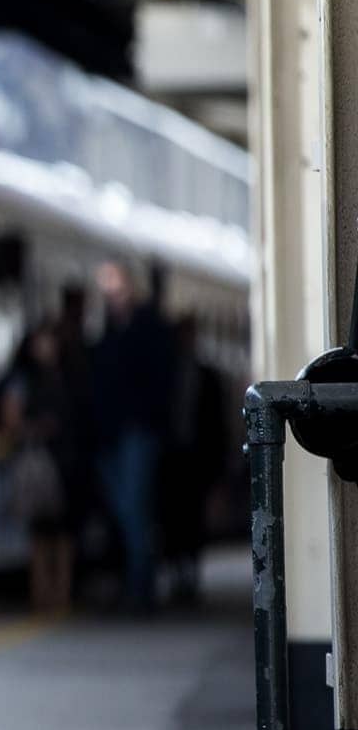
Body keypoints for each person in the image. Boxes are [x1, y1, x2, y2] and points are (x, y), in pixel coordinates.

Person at [87, 260, 172, 613]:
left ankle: (140, 587)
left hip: (138, 431)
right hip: (110, 434)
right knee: (126, 509)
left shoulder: (146, 327)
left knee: (134, 509)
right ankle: (137, 579)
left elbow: (159, 381)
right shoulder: (106, 330)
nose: (111, 295)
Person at [0, 323, 81, 612]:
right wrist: (35, 429)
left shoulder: (66, 376)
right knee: (42, 530)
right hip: (40, 459)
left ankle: (60, 594)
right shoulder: (26, 379)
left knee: (61, 529)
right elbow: (9, 418)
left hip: (63, 459)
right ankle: (44, 594)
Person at [157, 316, 226, 604]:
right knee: (172, 515)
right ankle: (176, 570)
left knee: (193, 515)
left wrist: (218, 463)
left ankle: (190, 571)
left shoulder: (207, 375)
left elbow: (218, 423)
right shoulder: (164, 374)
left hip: (197, 457)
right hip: (171, 457)